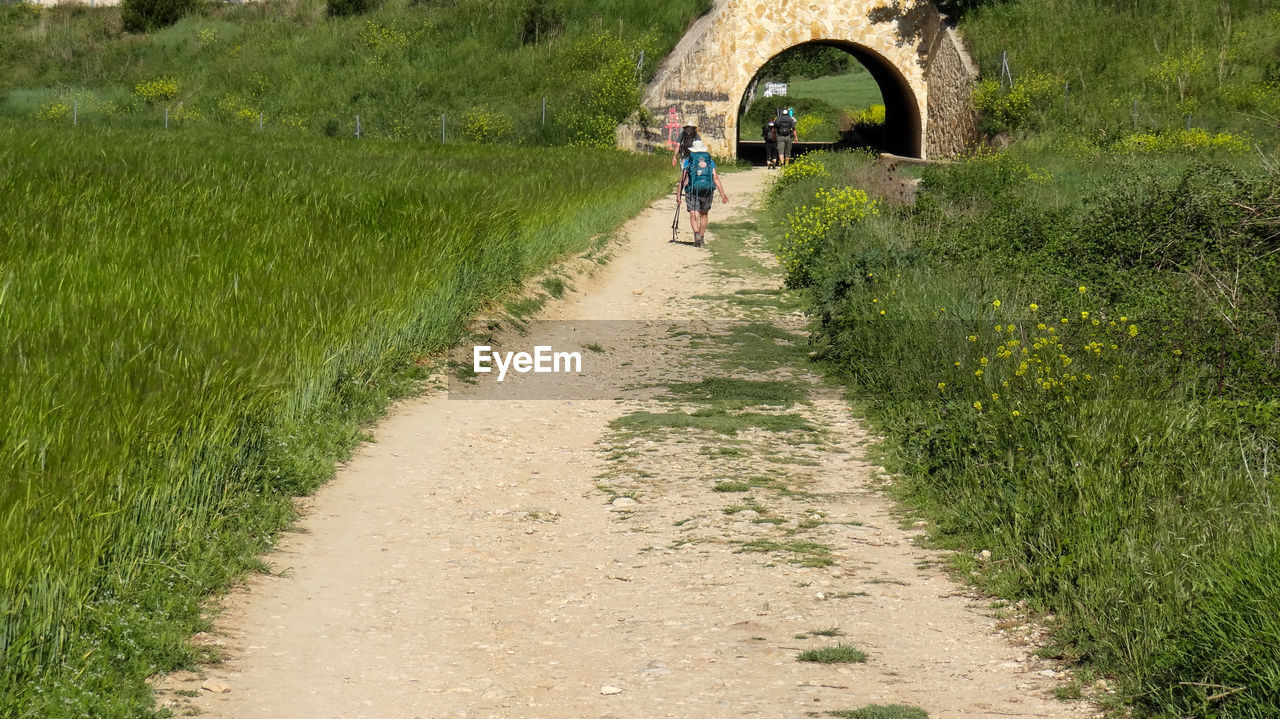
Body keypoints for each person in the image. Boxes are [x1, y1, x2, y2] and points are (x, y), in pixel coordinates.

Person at [676, 140, 729, 247]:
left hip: (692, 190)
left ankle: (696, 234)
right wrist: (722, 194)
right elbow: (715, 177)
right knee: (704, 215)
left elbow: (683, 179)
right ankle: (702, 236)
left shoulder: (689, 161)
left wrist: (678, 194)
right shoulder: (710, 161)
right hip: (707, 191)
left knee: (693, 213)